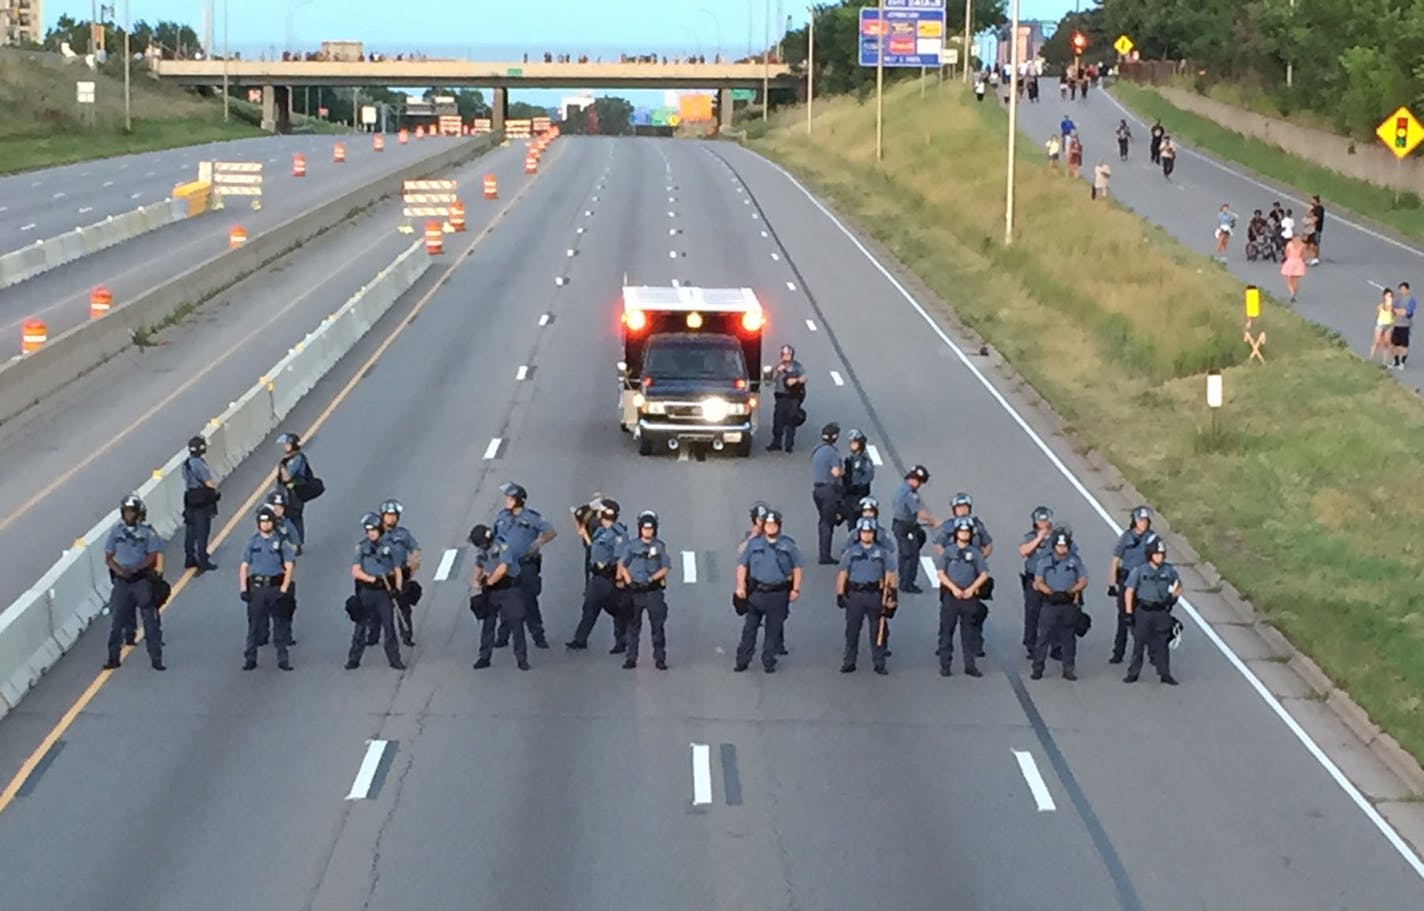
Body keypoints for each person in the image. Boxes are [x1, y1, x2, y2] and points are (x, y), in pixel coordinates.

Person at [102, 495, 166, 671]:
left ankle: (156, 658)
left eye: (132, 512)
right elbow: (108, 557)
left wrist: (138, 569)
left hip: (141, 581)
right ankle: (113, 658)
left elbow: (153, 554)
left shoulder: (147, 532)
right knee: (116, 622)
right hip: (122, 582)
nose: (129, 515)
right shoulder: (116, 532)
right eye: (126, 512)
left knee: (149, 621)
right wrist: (120, 571)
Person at [734, 508, 802, 673]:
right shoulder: (754, 543)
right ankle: (743, 660)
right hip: (756, 592)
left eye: (774, 525)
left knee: (773, 630)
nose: (771, 527)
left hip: (778, 594)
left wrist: (796, 589)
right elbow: (742, 566)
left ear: (778, 526)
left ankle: (768, 661)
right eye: (768, 524)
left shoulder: (788, 545)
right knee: (749, 629)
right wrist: (740, 586)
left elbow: (797, 568)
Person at [493, 482, 556, 649]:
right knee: (505, 602)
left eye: (510, 498)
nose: (506, 500)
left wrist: (538, 542)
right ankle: (503, 637)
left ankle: (538, 636)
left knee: (529, 601)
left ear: (518, 500)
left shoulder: (532, 517)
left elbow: (550, 532)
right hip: (506, 565)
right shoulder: (502, 516)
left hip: (526, 565)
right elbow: (494, 537)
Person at [238, 506, 296, 671]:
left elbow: (289, 566)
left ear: (273, 523)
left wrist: (284, 588)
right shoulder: (252, 542)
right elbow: (244, 566)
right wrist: (243, 588)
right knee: (254, 625)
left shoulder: (281, 543)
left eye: (268, 521)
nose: (265, 524)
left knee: (279, 624)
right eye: (262, 522)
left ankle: (283, 659)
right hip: (257, 589)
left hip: (275, 587)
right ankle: (250, 658)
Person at [346, 512, 406, 670]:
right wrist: (371, 579)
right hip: (367, 591)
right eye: (368, 531)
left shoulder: (391, 547)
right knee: (360, 626)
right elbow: (355, 571)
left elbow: (397, 569)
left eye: (373, 530)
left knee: (389, 626)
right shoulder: (361, 547)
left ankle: (395, 659)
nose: (370, 533)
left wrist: (397, 589)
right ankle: (354, 658)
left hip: (384, 592)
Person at [836, 517, 894, 675]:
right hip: (855, 594)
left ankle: (879, 663)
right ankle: (849, 662)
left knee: (877, 630)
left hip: (875, 594)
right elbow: (843, 574)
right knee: (852, 630)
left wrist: (891, 596)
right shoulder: (851, 553)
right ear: (859, 534)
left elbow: (889, 574)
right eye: (863, 532)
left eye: (869, 532)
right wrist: (840, 593)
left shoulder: (882, 553)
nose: (866, 535)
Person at [568, 500, 628, 652]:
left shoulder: (618, 534)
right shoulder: (600, 530)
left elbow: (621, 558)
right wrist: (584, 534)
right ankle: (580, 640)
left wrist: (620, 579)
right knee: (589, 607)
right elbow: (593, 547)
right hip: (597, 577)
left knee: (616, 610)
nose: (598, 513)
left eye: (601, 511)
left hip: (610, 578)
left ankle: (621, 642)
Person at [935, 516, 990, 678]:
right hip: (951, 597)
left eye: (967, 532)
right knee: (946, 632)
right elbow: (940, 573)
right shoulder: (949, 552)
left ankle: (970, 665)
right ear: (956, 533)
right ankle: (945, 665)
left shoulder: (975, 553)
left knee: (969, 633)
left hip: (969, 597)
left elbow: (984, 574)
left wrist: (972, 589)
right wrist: (953, 589)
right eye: (962, 531)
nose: (965, 534)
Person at [1122, 534, 1181, 685]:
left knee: (1162, 644)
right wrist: (1128, 612)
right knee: (1139, 644)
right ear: (1150, 555)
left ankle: (1165, 674)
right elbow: (1130, 590)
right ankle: (1133, 673)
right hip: (1144, 611)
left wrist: (1172, 598)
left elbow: (1178, 586)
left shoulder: (1169, 571)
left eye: (1161, 554)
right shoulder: (1140, 570)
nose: (1159, 557)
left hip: (1161, 611)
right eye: (1156, 554)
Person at [469, 524, 528, 670]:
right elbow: (479, 564)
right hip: (492, 591)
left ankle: (521, 659)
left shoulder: (503, 546)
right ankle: (484, 657)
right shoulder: (482, 549)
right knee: (488, 623)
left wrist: (488, 582)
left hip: (509, 589)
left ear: (485, 541)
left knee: (516, 623)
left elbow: (503, 569)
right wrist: (476, 581)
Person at [1031, 529, 1087, 681]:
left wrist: (1070, 591)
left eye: (1065, 546)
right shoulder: (1045, 561)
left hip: (1068, 604)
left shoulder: (1075, 561)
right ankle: (1038, 668)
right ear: (1054, 546)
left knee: (1069, 638)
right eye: (1059, 546)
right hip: (1050, 604)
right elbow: (1038, 581)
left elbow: (1082, 580)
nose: (1062, 549)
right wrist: (1050, 593)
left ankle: (1068, 669)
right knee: (1043, 636)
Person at [618, 510, 671, 670]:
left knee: (657, 626)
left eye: (650, 529)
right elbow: (622, 564)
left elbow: (665, 567)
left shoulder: (659, 546)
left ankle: (660, 658)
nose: (648, 531)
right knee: (632, 627)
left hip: (652, 591)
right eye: (645, 528)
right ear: (640, 529)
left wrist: (651, 579)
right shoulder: (632, 546)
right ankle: (631, 658)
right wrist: (628, 581)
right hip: (635, 592)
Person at [1107, 506, 1154, 665]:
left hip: (1145, 582)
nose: (1143, 523)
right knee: (1123, 618)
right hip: (1126, 581)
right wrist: (1112, 583)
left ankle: (1152, 654)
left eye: (1146, 520)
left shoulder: (1152, 538)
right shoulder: (1126, 537)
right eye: (1141, 520)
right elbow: (1115, 559)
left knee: (1146, 618)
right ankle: (1118, 652)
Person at [373, 499, 420, 648]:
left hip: (400, 577)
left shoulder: (403, 534)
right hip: (382, 577)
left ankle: (407, 635)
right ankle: (372, 636)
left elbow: (415, 550)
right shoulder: (376, 534)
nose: (391, 518)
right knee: (377, 610)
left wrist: (412, 567)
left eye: (394, 515)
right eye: (388, 515)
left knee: (404, 608)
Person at [891, 465, 935, 593]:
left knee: (904, 554)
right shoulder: (909, 494)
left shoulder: (902, 488)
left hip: (902, 525)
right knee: (911, 555)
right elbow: (920, 513)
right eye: (920, 482)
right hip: (906, 527)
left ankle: (904, 579)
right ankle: (907, 583)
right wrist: (934, 522)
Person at [180, 435, 219, 573]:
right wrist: (215, 493)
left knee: (190, 530)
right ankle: (203, 561)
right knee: (203, 531)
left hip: (190, 499)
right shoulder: (200, 465)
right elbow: (208, 483)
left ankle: (189, 558)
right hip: (202, 500)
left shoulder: (186, 464)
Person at [810, 422, 844, 564]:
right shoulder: (832, 452)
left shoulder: (817, 450)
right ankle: (825, 555)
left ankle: (824, 552)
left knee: (824, 520)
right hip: (829, 490)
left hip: (817, 490)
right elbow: (835, 472)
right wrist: (844, 471)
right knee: (828, 522)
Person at [275, 432, 319, 542]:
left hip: (294, 494)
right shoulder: (291, 459)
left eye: (287, 444)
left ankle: (297, 541)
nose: (285, 447)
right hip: (288, 493)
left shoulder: (296, 459)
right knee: (288, 517)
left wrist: (282, 468)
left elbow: (286, 477)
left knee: (294, 517)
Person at [766, 344, 806, 453]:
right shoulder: (778, 367)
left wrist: (795, 380)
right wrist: (776, 371)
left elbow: (804, 377)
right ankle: (776, 443)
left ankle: (789, 445)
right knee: (778, 420)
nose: (786, 357)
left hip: (793, 397)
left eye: (788, 354)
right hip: (780, 397)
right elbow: (768, 381)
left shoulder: (797, 366)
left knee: (791, 420)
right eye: (784, 354)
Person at [841, 429, 875, 519]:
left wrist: (856, 485)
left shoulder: (865, 460)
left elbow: (868, 477)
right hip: (849, 496)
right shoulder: (850, 459)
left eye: (855, 443)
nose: (852, 446)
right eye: (851, 443)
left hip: (859, 495)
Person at [1371, 288, 1396, 365]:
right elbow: (1377, 315)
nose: (1389, 297)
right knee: (1377, 341)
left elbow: (1393, 316)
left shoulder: (1392, 308)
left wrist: (1391, 309)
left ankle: (1384, 362)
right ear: (1384, 296)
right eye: (1388, 295)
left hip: (1388, 326)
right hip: (1380, 325)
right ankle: (1370, 358)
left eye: (1390, 296)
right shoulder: (1380, 306)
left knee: (1386, 343)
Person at [1393, 281, 1415, 369]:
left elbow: (1407, 313)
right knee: (1395, 345)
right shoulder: (1397, 299)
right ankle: (1396, 362)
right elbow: (1391, 309)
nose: (1401, 291)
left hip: (1405, 325)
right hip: (1396, 325)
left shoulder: (1411, 300)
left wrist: (1399, 311)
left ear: (1407, 290)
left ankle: (1402, 362)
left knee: (1404, 345)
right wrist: (1399, 311)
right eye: (1400, 289)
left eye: (1403, 289)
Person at [1280, 232, 1306, 303]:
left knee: (1289, 280)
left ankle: (1291, 292)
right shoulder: (1302, 245)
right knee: (1296, 281)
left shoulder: (1289, 245)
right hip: (1298, 263)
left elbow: (1286, 254)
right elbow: (1303, 256)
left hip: (1290, 262)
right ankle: (1294, 293)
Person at [1306, 195, 1325, 265]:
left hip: (1317, 228)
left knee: (1316, 243)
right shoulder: (1313, 208)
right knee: (1311, 243)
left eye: (1312, 200)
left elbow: (1318, 218)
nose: (1311, 201)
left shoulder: (1320, 209)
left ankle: (1316, 258)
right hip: (1311, 229)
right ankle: (1311, 256)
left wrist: (1312, 219)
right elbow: (1308, 215)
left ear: (1315, 200)